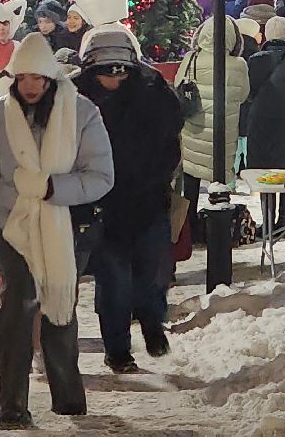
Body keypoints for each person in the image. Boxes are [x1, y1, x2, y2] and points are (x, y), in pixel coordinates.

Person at [0, 33, 114, 430]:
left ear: (51, 79)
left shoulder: (82, 113)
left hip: (64, 223)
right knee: (16, 308)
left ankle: (67, 398)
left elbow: (101, 176)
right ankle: (11, 404)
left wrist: (52, 188)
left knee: (59, 305)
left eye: (37, 78)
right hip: (10, 225)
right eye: (23, 77)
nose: (29, 86)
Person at [74, 30, 183, 373]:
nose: (114, 79)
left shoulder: (152, 89)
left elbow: (172, 135)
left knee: (152, 275)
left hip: (148, 197)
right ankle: (118, 351)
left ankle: (152, 322)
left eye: (121, 71)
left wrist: (160, 176)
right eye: (108, 72)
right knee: (113, 282)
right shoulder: (75, 95)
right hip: (102, 205)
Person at [177, 15, 249, 212]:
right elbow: (243, 95)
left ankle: (190, 221)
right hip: (223, 133)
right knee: (219, 180)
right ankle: (217, 223)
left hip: (194, 130)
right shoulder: (239, 64)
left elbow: (178, 85)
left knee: (191, 179)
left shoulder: (191, 58)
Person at [244, 17, 285, 233]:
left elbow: (249, 92)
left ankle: (268, 219)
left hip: (261, 122)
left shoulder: (255, 60)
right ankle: (284, 221)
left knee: (264, 173)